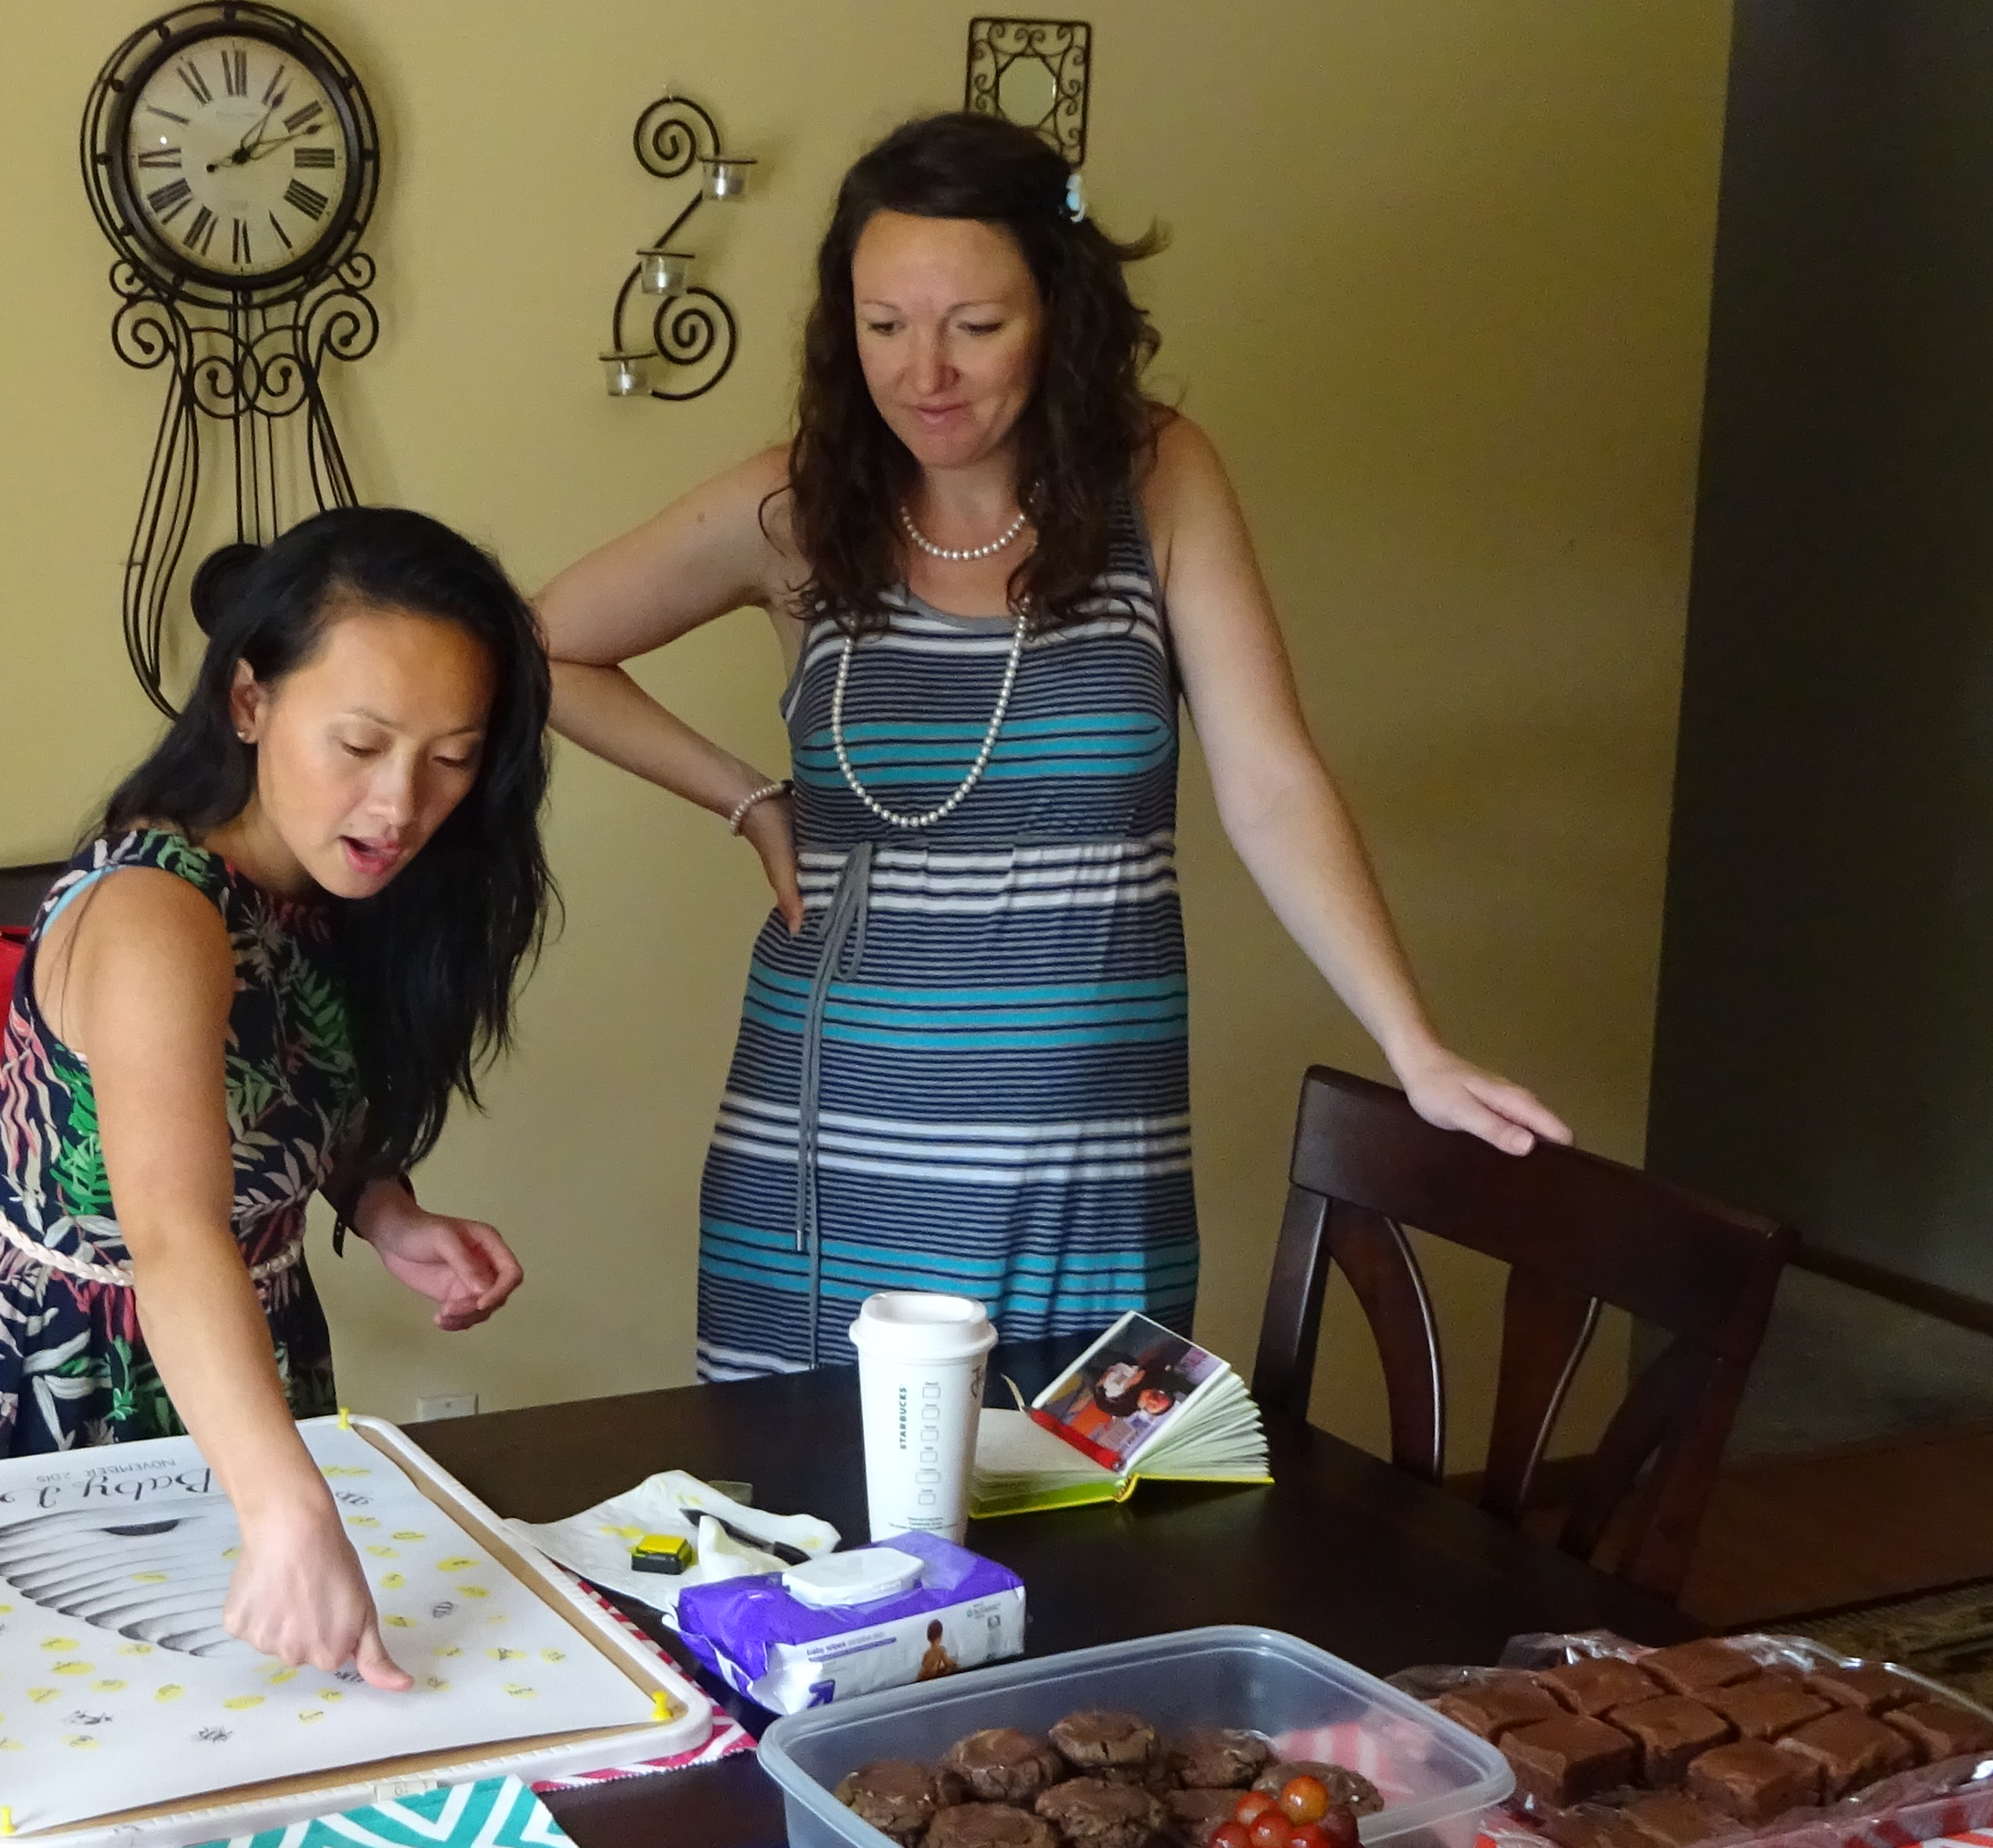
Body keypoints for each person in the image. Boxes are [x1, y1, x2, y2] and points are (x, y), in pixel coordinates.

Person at [533, 110, 1566, 1378]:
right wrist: (749, 799)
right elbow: (537, 647)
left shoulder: (1158, 478)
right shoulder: (798, 508)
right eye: (884, 325)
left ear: (1060, 315)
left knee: (1091, 1495)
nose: (926, 373)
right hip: (829, 1154)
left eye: (976, 326)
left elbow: (1270, 782)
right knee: (814, 1501)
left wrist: (1413, 1043)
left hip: (1091, 1158)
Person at [0, 508, 551, 1689]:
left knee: (260, 1715)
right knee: (76, 1725)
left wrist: (383, 1207)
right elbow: (171, 1228)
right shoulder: (158, 916)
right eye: (360, 744)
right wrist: (286, 1505)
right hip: (63, 1383)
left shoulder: (320, 882)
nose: (399, 803)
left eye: (451, 758)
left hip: (241, 1354)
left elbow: (281, 1077)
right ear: (250, 701)